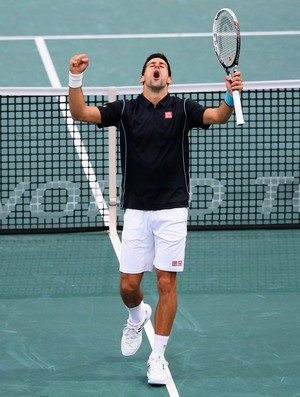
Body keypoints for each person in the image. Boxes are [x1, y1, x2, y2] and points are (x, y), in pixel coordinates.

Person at [68, 52, 244, 385]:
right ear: (142, 77)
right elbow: (79, 112)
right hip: (136, 209)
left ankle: (157, 357)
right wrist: (75, 77)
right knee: (128, 287)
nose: (157, 67)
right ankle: (137, 315)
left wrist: (229, 94)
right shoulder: (124, 110)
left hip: (173, 209)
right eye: (151, 65)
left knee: (166, 282)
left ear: (169, 78)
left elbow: (219, 116)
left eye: (162, 65)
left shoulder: (182, 108)